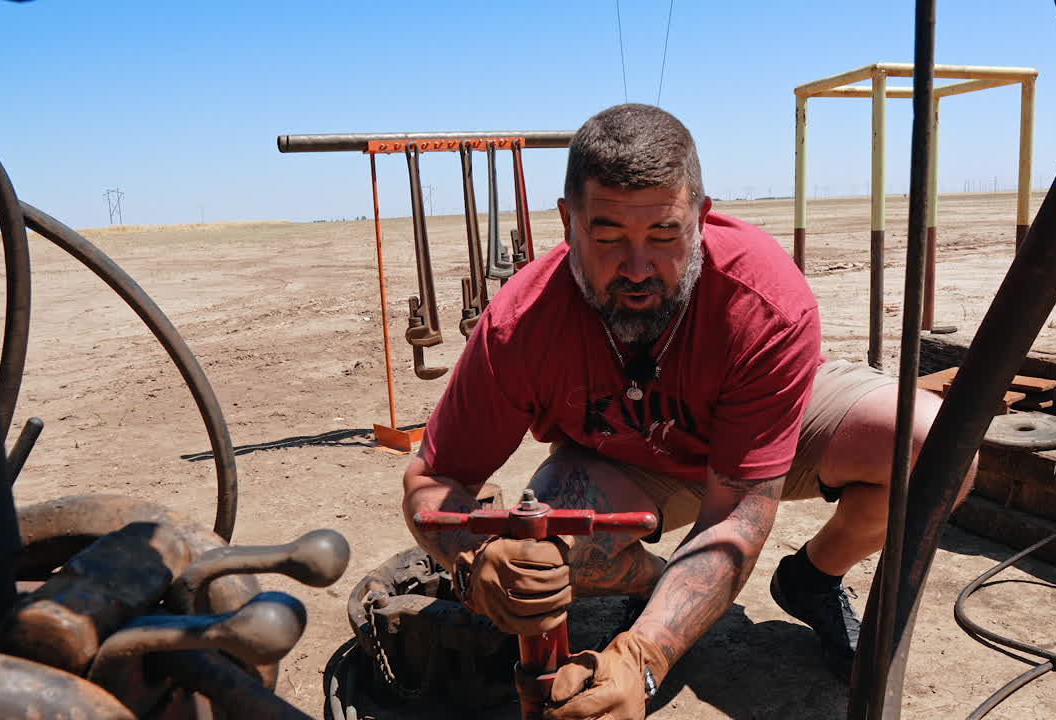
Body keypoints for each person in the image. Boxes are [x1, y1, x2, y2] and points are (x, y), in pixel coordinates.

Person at [402, 103, 975, 719]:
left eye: (664, 235)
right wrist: (472, 560)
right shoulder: (522, 324)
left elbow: (739, 514)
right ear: (568, 223)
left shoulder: (762, 301)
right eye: (608, 236)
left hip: (765, 430)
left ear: (702, 219)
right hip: (626, 460)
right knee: (559, 553)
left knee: (932, 447)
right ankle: (653, 583)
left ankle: (813, 577)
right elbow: (432, 479)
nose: (638, 268)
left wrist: (642, 657)